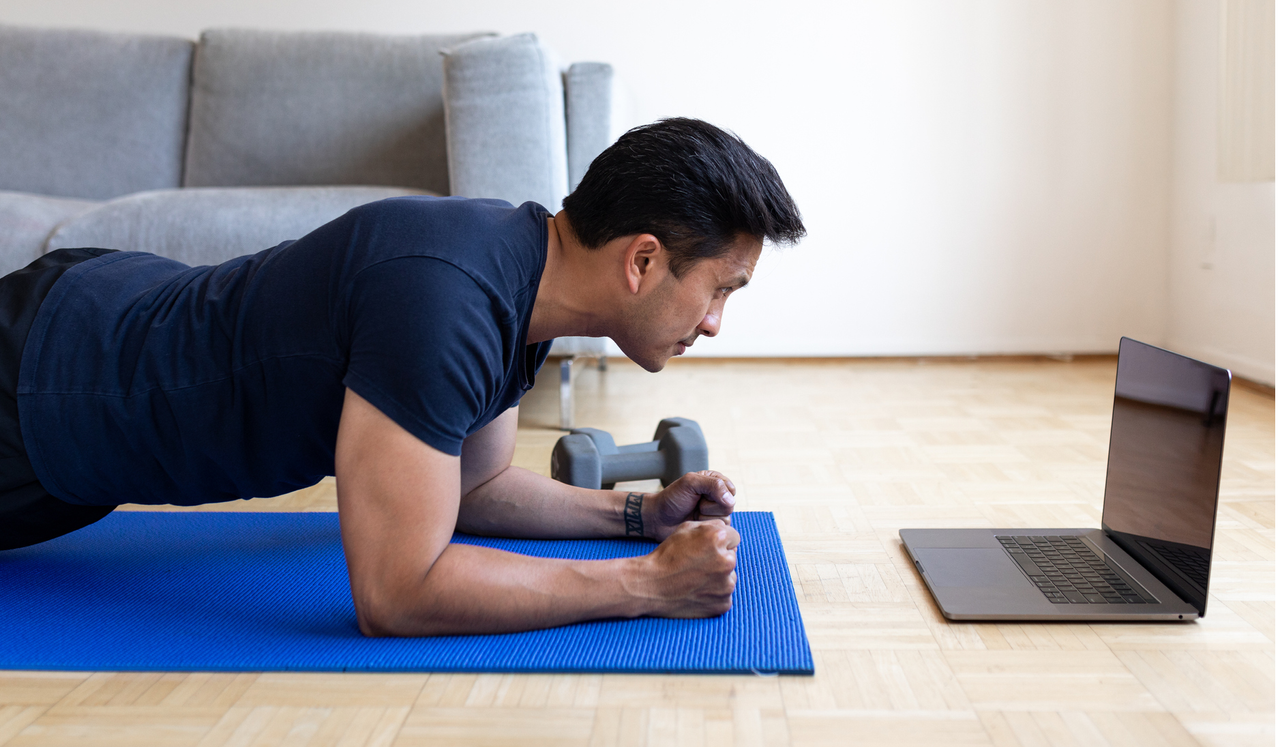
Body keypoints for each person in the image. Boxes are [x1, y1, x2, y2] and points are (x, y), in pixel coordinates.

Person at [0, 118, 805, 636]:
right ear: (642, 260)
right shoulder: (445, 302)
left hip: (91, 351)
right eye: (721, 289)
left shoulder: (520, 279)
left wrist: (636, 514)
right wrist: (646, 585)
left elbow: (473, 488)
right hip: (43, 382)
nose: (713, 322)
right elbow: (399, 589)